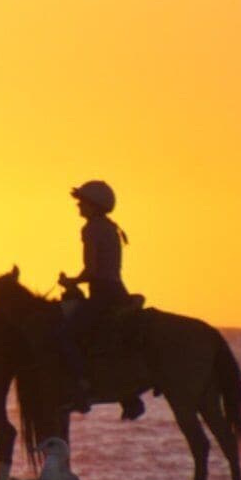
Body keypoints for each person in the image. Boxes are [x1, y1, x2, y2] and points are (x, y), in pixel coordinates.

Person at [60, 180, 143, 421]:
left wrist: (71, 282)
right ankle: (127, 394)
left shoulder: (91, 229)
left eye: (82, 202)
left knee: (66, 335)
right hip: (118, 291)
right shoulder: (109, 227)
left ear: (93, 205)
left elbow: (92, 270)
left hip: (103, 293)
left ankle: (81, 389)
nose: (78, 207)